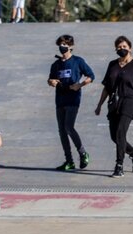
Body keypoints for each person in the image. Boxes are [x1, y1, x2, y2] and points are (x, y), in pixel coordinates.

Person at [95, 35, 133, 178]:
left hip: (129, 102)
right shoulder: (112, 64)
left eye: (124, 46)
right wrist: (99, 105)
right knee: (114, 136)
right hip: (113, 102)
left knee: (120, 133)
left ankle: (119, 166)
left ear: (130, 48)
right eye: (119, 47)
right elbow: (106, 87)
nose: (121, 49)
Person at [48, 34, 95, 171]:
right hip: (60, 99)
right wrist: (52, 82)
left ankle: (82, 153)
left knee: (69, 126)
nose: (62, 47)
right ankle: (69, 161)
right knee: (62, 131)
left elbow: (91, 76)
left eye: (65, 44)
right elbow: (51, 79)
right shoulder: (56, 64)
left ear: (71, 46)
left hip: (73, 98)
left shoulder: (78, 61)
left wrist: (80, 85)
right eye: (60, 44)